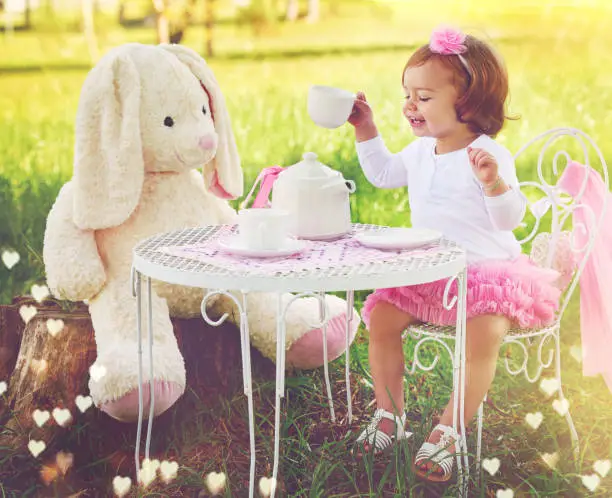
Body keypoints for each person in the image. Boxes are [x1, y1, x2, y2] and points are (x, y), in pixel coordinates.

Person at [347, 26, 562, 482]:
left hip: (486, 271)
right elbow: (384, 173)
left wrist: (493, 184)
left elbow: (510, 219)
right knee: (381, 317)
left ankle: (448, 431)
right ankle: (390, 415)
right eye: (407, 94)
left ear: (467, 104)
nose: (409, 105)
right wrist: (366, 129)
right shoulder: (422, 150)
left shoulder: (487, 154)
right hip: (432, 269)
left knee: (481, 334)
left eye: (423, 97)